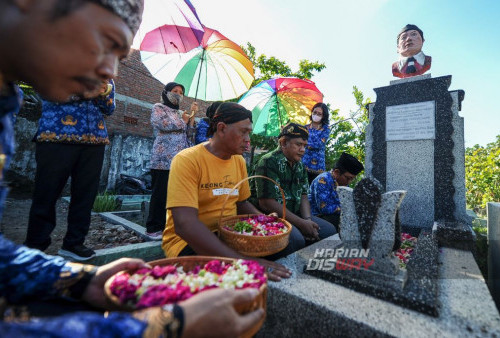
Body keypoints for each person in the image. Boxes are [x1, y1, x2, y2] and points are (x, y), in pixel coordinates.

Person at [0, 0, 263, 336]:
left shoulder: (6, 101)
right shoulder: (177, 138)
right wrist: (157, 327)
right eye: (106, 41)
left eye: (120, 57)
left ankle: (72, 246)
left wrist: (80, 280)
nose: (110, 71)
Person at [161, 102, 291, 281]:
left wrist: (264, 220)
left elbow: (242, 203)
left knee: (292, 243)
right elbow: (185, 225)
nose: (248, 139)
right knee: (232, 282)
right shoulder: (187, 160)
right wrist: (243, 262)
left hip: (230, 234)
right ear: (221, 129)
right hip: (188, 241)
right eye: (243, 132)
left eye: (249, 133)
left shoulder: (238, 161)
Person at [24, 79, 115, 261]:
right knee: (47, 193)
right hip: (57, 135)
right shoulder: (61, 62)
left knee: (85, 196)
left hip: (94, 141)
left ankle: (74, 243)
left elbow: (109, 108)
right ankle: (36, 245)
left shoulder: (104, 74)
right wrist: (87, 89)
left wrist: (102, 93)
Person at [250, 123, 337, 257]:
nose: (303, 150)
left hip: (296, 214)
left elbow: (303, 195)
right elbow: (266, 203)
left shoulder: (300, 165)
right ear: (284, 143)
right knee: (296, 239)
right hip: (271, 216)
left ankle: (311, 269)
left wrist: (307, 219)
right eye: (298, 144)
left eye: (305, 146)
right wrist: (301, 223)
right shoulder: (268, 161)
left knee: (329, 231)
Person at [145, 82, 197, 239]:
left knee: (174, 195)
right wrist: (184, 121)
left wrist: (192, 118)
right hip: (162, 160)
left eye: (181, 92)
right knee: (159, 194)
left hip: (179, 161)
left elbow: (189, 135)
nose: (178, 94)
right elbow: (162, 123)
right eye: (175, 91)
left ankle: (169, 227)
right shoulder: (159, 108)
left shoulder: (181, 113)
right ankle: (153, 228)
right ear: (166, 92)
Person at [309, 152, 364, 232]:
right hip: (317, 216)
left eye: (352, 179)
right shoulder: (323, 180)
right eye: (348, 178)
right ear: (337, 172)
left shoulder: (343, 183)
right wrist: (346, 208)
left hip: (333, 215)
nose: (349, 182)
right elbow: (325, 209)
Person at [301, 102, 330, 184]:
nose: (316, 115)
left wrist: (304, 143)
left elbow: (318, 144)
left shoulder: (325, 129)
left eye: (319, 114)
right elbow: (297, 140)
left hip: (318, 169)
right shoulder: (305, 128)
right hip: (303, 165)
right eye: (315, 112)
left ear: (323, 116)